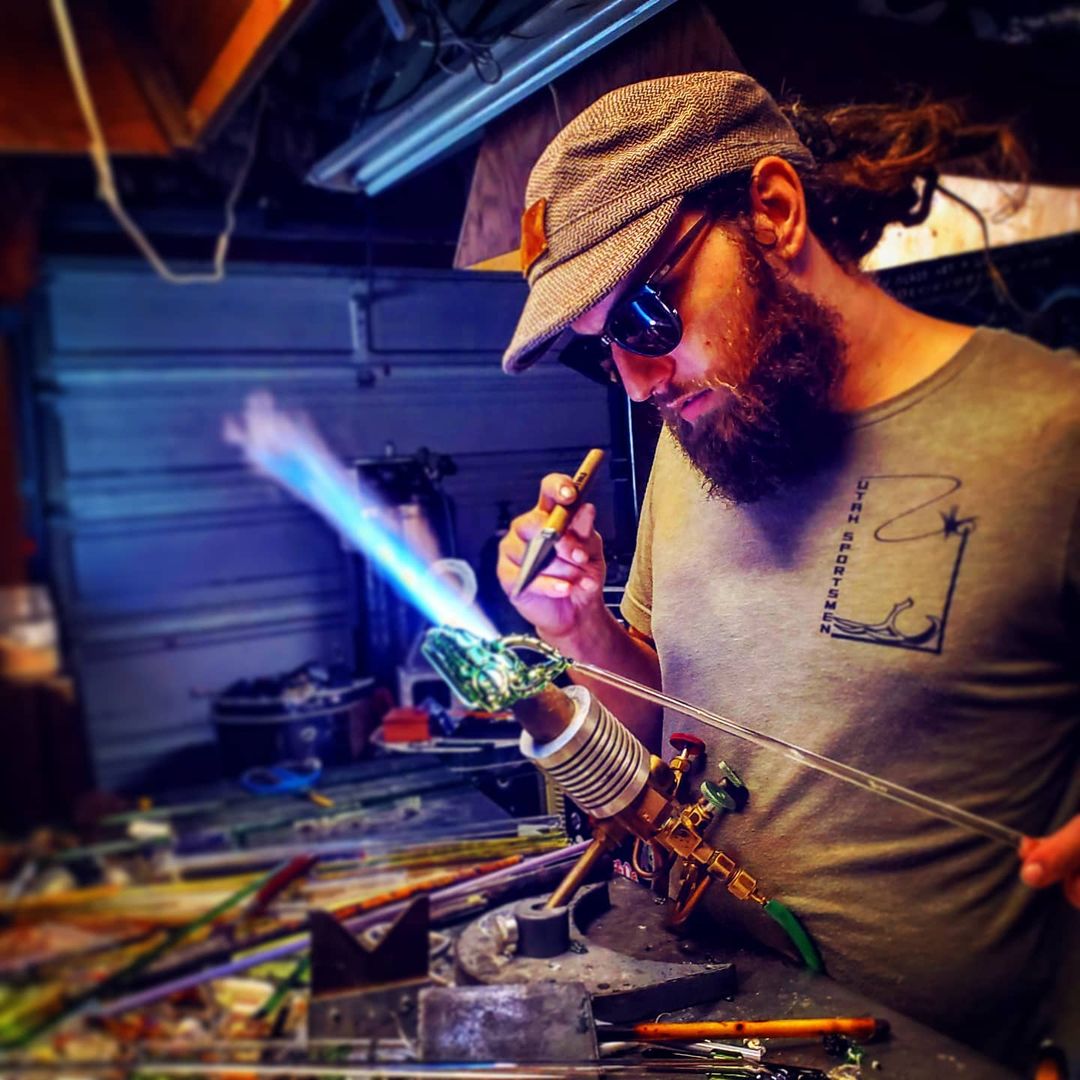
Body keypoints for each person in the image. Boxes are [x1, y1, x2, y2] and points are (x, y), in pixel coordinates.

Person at [495, 71, 1079, 1068]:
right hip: (710, 1020)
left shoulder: (1051, 433)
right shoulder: (696, 439)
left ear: (772, 210)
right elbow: (665, 713)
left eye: (644, 315)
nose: (637, 384)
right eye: (601, 355)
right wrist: (579, 628)